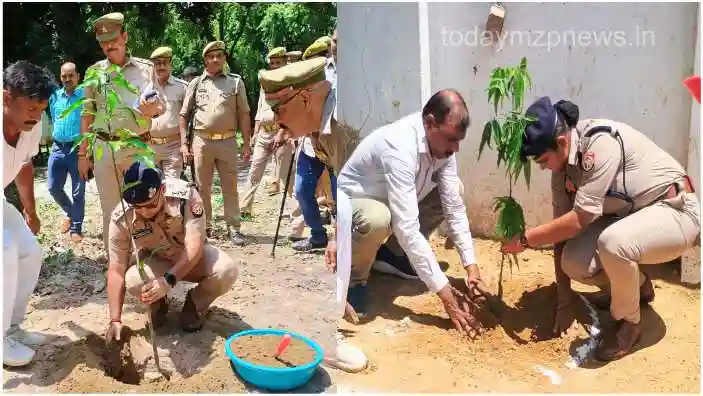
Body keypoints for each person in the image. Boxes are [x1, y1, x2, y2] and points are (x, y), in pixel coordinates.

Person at [501, 96, 701, 361]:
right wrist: (564, 302)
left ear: (561, 142)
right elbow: (563, 236)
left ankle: (629, 325)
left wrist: (526, 239)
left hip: (676, 211)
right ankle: (638, 289)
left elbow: (579, 220)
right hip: (631, 219)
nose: (542, 167)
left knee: (613, 242)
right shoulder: (561, 170)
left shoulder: (599, 143)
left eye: (543, 160)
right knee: (572, 262)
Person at [337, 89, 490, 337]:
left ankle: (392, 255)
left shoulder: (443, 148)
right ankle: (354, 280)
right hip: (356, 203)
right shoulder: (399, 145)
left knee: (455, 191)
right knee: (377, 219)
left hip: (392, 203)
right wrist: (448, 299)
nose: (456, 148)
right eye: (451, 139)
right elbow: (407, 227)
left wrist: (471, 267)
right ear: (430, 123)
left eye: (459, 140)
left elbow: (454, 207)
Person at [258, 57, 367, 373]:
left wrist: (333, 299)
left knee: (360, 223)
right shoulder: (319, 128)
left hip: (398, 198)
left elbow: (351, 207)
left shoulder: (343, 125)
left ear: (304, 99)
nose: (278, 123)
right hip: (375, 196)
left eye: (279, 111)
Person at [105, 161, 240, 339]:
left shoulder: (185, 196)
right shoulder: (121, 216)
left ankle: (194, 305)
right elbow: (116, 269)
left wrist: (168, 280)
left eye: (151, 205)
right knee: (134, 280)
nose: (145, 212)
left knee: (226, 271)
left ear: (162, 189)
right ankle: (159, 304)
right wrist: (115, 319)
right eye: (138, 208)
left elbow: (194, 246)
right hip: (157, 259)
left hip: (192, 258)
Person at [80, 12, 165, 258]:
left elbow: (163, 107)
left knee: (143, 206)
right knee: (111, 211)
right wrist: (83, 153)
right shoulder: (94, 73)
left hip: (138, 147)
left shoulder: (146, 69)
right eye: (104, 42)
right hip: (106, 149)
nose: (109, 46)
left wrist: (154, 108)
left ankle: (147, 261)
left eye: (113, 39)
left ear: (125, 37)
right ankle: (116, 265)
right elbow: (86, 115)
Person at [3, 60, 59, 366]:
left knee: (30, 251)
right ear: (6, 98)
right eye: (31, 108)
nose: (36, 117)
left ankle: (12, 327)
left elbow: (24, 164)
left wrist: (30, 211)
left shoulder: (32, 126)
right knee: (5, 251)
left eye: (41, 109)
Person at [179, 41, 252, 245]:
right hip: (201, 142)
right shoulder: (196, 83)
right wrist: (184, 144)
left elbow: (244, 114)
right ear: (205, 60)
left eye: (219, 55)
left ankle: (234, 228)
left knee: (231, 186)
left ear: (224, 58)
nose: (215, 59)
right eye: (211, 56)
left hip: (227, 141)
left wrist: (246, 143)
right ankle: (205, 226)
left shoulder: (235, 82)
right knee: (203, 187)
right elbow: (183, 115)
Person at [240, 46, 294, 216]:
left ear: (285, 63)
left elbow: (293, 111)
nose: (275, 65)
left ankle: (296, 213)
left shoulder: (291, 83)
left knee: (287, 175)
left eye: (278, 62)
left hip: (283, 132)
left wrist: (283, 132)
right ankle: (244, 207)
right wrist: (255, 133)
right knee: (255, 171)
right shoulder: (265, 83)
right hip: (264, 133)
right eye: (272, 63)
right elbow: (260, 110)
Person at [47, 62, 86, 243]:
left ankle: (76, 227)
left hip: (77, 148)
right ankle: (70, 213)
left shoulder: (85, 96)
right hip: (57, 148)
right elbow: (53, 118)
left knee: (78, 191)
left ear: (78, 76)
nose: (67, 79)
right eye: (64, 76)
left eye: (71, 75)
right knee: (53, 187)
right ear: (60, 77)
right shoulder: (54, 97)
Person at [149, 46, 188, 178]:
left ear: (170, 64)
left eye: (164, 63)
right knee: (151, 190)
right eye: (157, 63)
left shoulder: (182, 87)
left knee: (172, 190)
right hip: (149, 146)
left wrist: (186, 144)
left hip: (173, 146)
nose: (161, 67)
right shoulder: (145, 87)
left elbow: (189, 118)